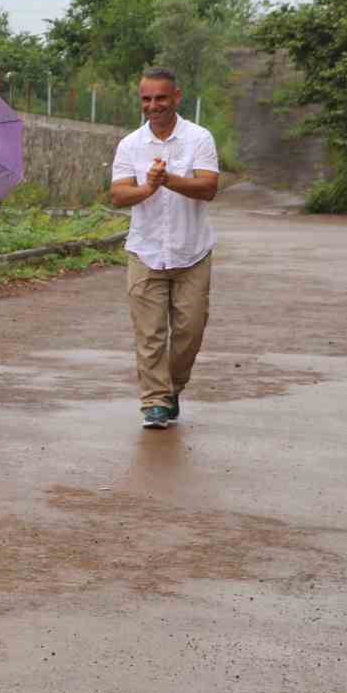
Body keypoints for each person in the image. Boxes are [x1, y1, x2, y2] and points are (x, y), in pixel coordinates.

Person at [109, 66, 220, 429]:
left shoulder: (199, 138)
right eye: (146, 99)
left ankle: (172, 387)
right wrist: (149, 188)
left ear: (176, 97)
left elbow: (208, 188)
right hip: (146, 251)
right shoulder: (130, 144)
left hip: (193, 251)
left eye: (160, 98)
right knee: (150, 333)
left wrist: (168, 180)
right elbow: (118, 194)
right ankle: (155, 401)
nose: (153, 105)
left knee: (190, 331)